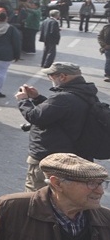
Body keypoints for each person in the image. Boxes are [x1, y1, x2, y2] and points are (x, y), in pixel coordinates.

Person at [15, 62, 95, 191]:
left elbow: (35, 116)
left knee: (36, 196)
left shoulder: (63, 98)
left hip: (49, 158)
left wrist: (23, 100)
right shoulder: (84, 93)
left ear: (62, 76)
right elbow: (58, 112)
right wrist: (37, 98)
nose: (50, 79)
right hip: (73, 155)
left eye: (51, 76)